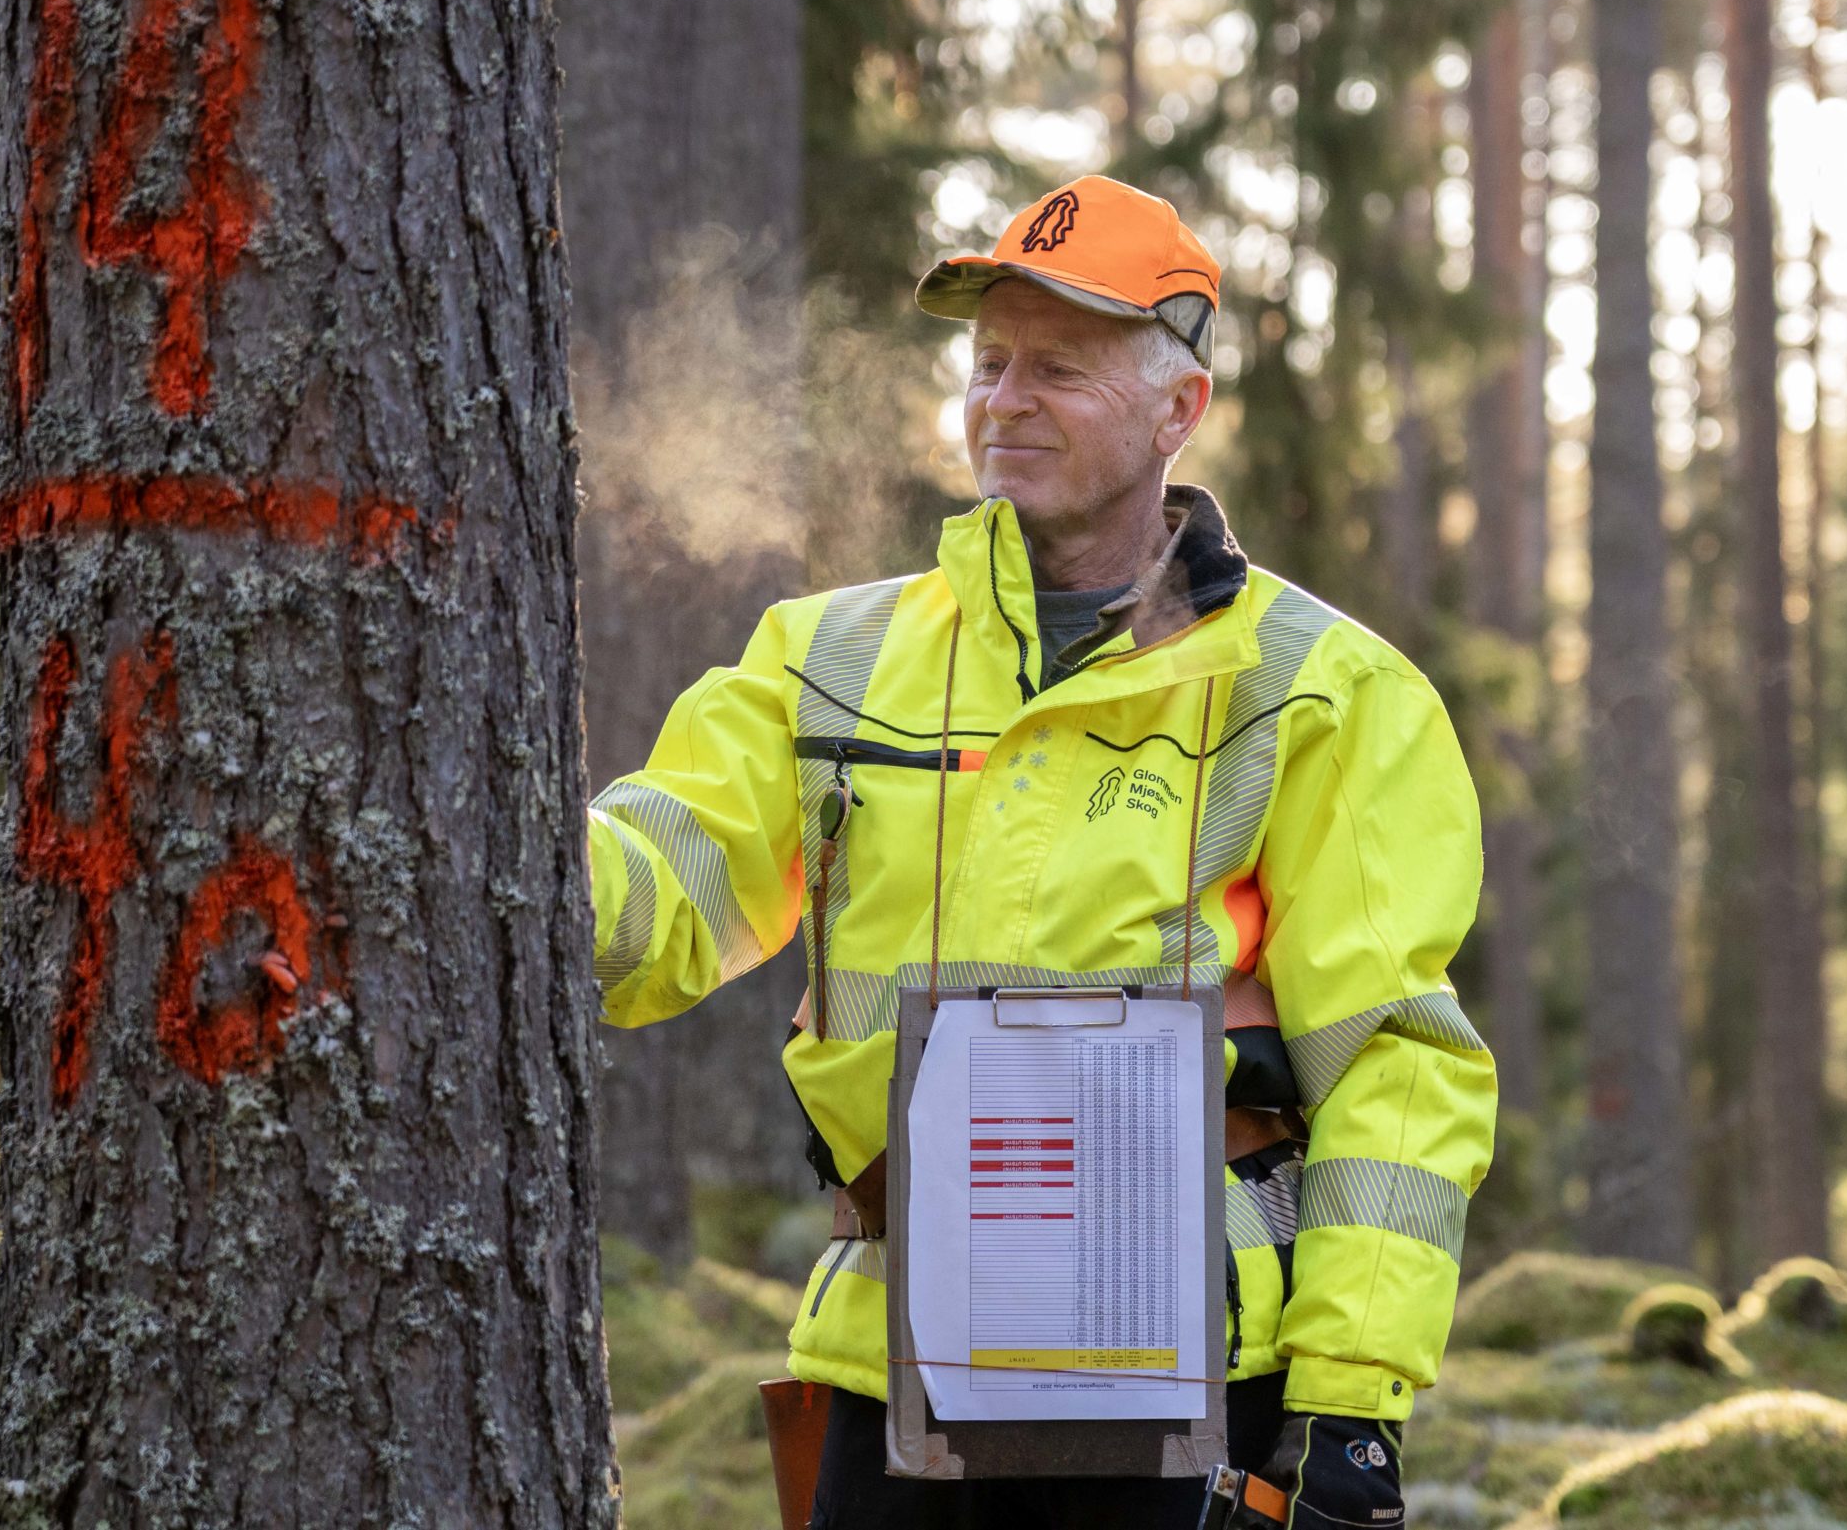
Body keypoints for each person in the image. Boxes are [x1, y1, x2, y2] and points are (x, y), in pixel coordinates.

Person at [586, 174, 1496, 1528]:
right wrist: (510, 855)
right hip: (889, 1373)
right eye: (989, 362)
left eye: (1059, 368)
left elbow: (1396, 1067)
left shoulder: (1326, 694)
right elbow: (670, 879)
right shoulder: (828, 658)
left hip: (1187, 1385)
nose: (1005, 400)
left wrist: (1352, 1405)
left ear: (1178, 409)